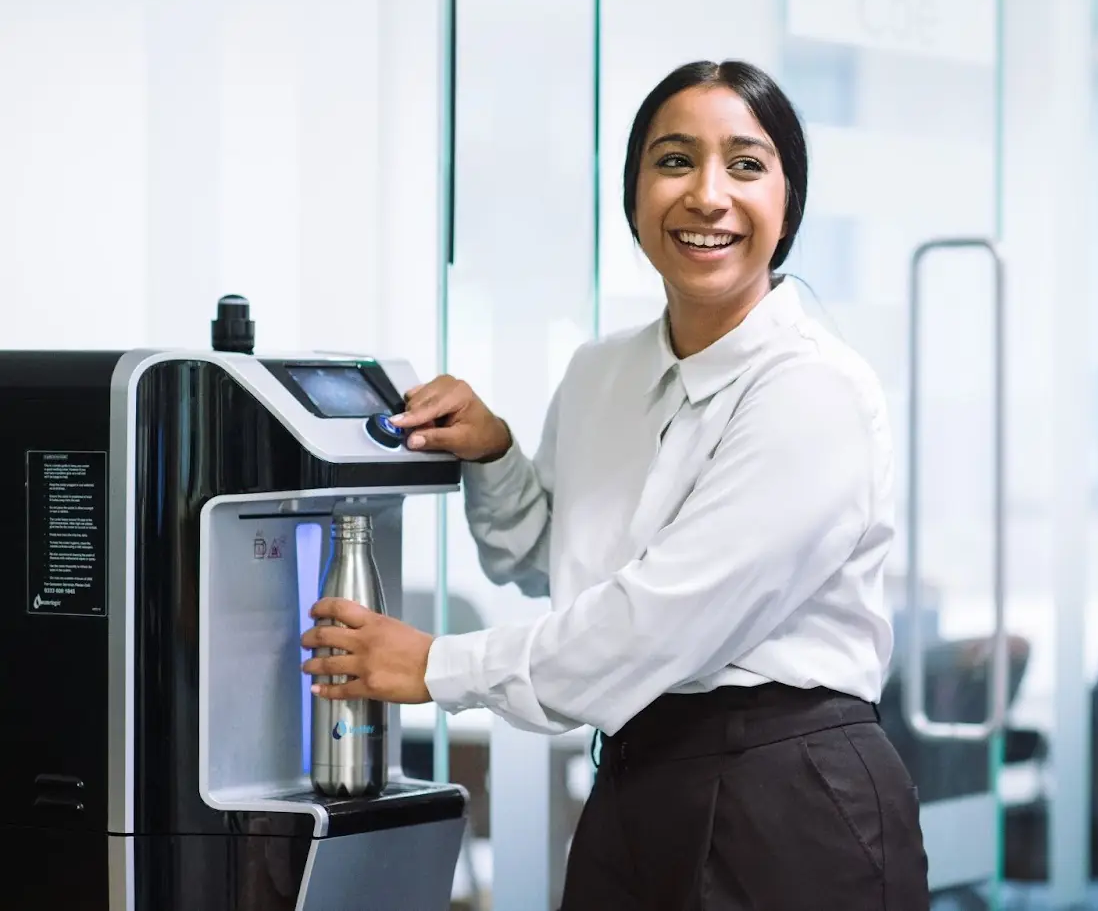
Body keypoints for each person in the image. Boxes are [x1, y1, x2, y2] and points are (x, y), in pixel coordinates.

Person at [301, 59, 931, 909]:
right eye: (675, 161)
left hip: (789, 794)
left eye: (745, 165)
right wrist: (493, 455)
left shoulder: (814, 391)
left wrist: (436, 667)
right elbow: (546, 558)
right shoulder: (601, 373)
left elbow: (659, 621)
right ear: (635, 196)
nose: (708, 196)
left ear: (789, 207)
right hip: (635, 776)